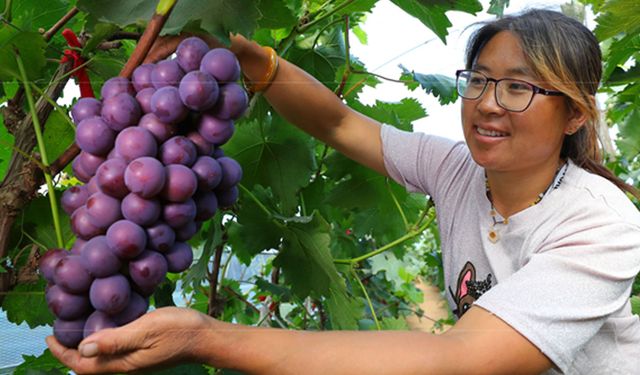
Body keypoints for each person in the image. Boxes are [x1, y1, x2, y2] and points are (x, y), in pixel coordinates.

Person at [47, 8, 640, 375]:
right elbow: (339, 124)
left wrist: (202, 337)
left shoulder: (601, 224)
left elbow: (457, 359)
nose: (487, 102)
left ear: (573, 115)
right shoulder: (458, 168)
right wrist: (252, 59)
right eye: (479, 79)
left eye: (519, 88)